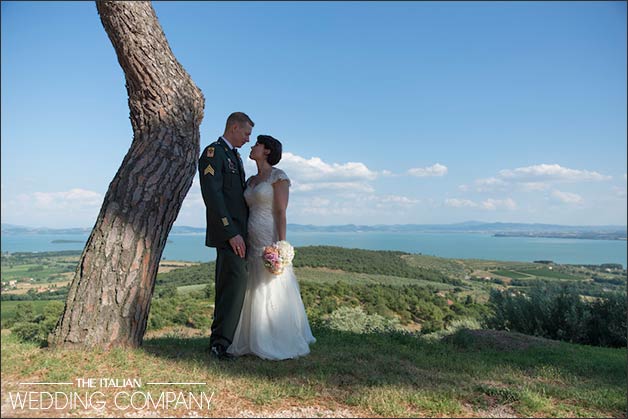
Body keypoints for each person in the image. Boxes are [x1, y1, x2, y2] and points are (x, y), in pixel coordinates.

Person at [228, 135, 316, 360]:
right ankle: (254, 338)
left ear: (267, 151)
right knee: (254, 282)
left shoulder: (278, 177)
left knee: (272, 282)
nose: (252, 146)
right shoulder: (251, 180)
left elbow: (280, 211)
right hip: (251, 236)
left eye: (257, 144)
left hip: (269, 235)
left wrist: (281, 244)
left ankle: (277, 338)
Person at [198, 112, 254, 359]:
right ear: (233, 127)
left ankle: (220, 341)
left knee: (230, 285)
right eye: (246, 133)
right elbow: (213, 196)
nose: (248, 139)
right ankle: (220, 344)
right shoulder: (214, 153)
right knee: (234, 283)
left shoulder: (234, 156)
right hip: (229, 233)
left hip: (241, 232)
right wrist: (231, 232)